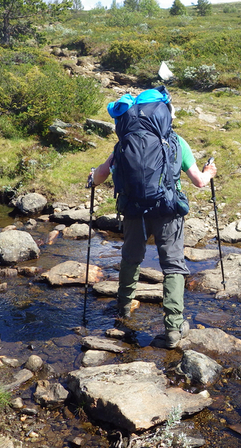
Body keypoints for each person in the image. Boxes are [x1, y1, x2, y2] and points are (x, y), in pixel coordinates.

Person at [89, 95, 217, 349]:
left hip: (134, 208)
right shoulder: (177, 141)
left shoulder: (125, 143)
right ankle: (173, 328)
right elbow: (199, 181)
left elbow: (101, 175)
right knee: (173, 266)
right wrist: (210, 171)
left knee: (131, 257)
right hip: (168, 209)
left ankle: (123, 310)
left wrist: (91, 179)